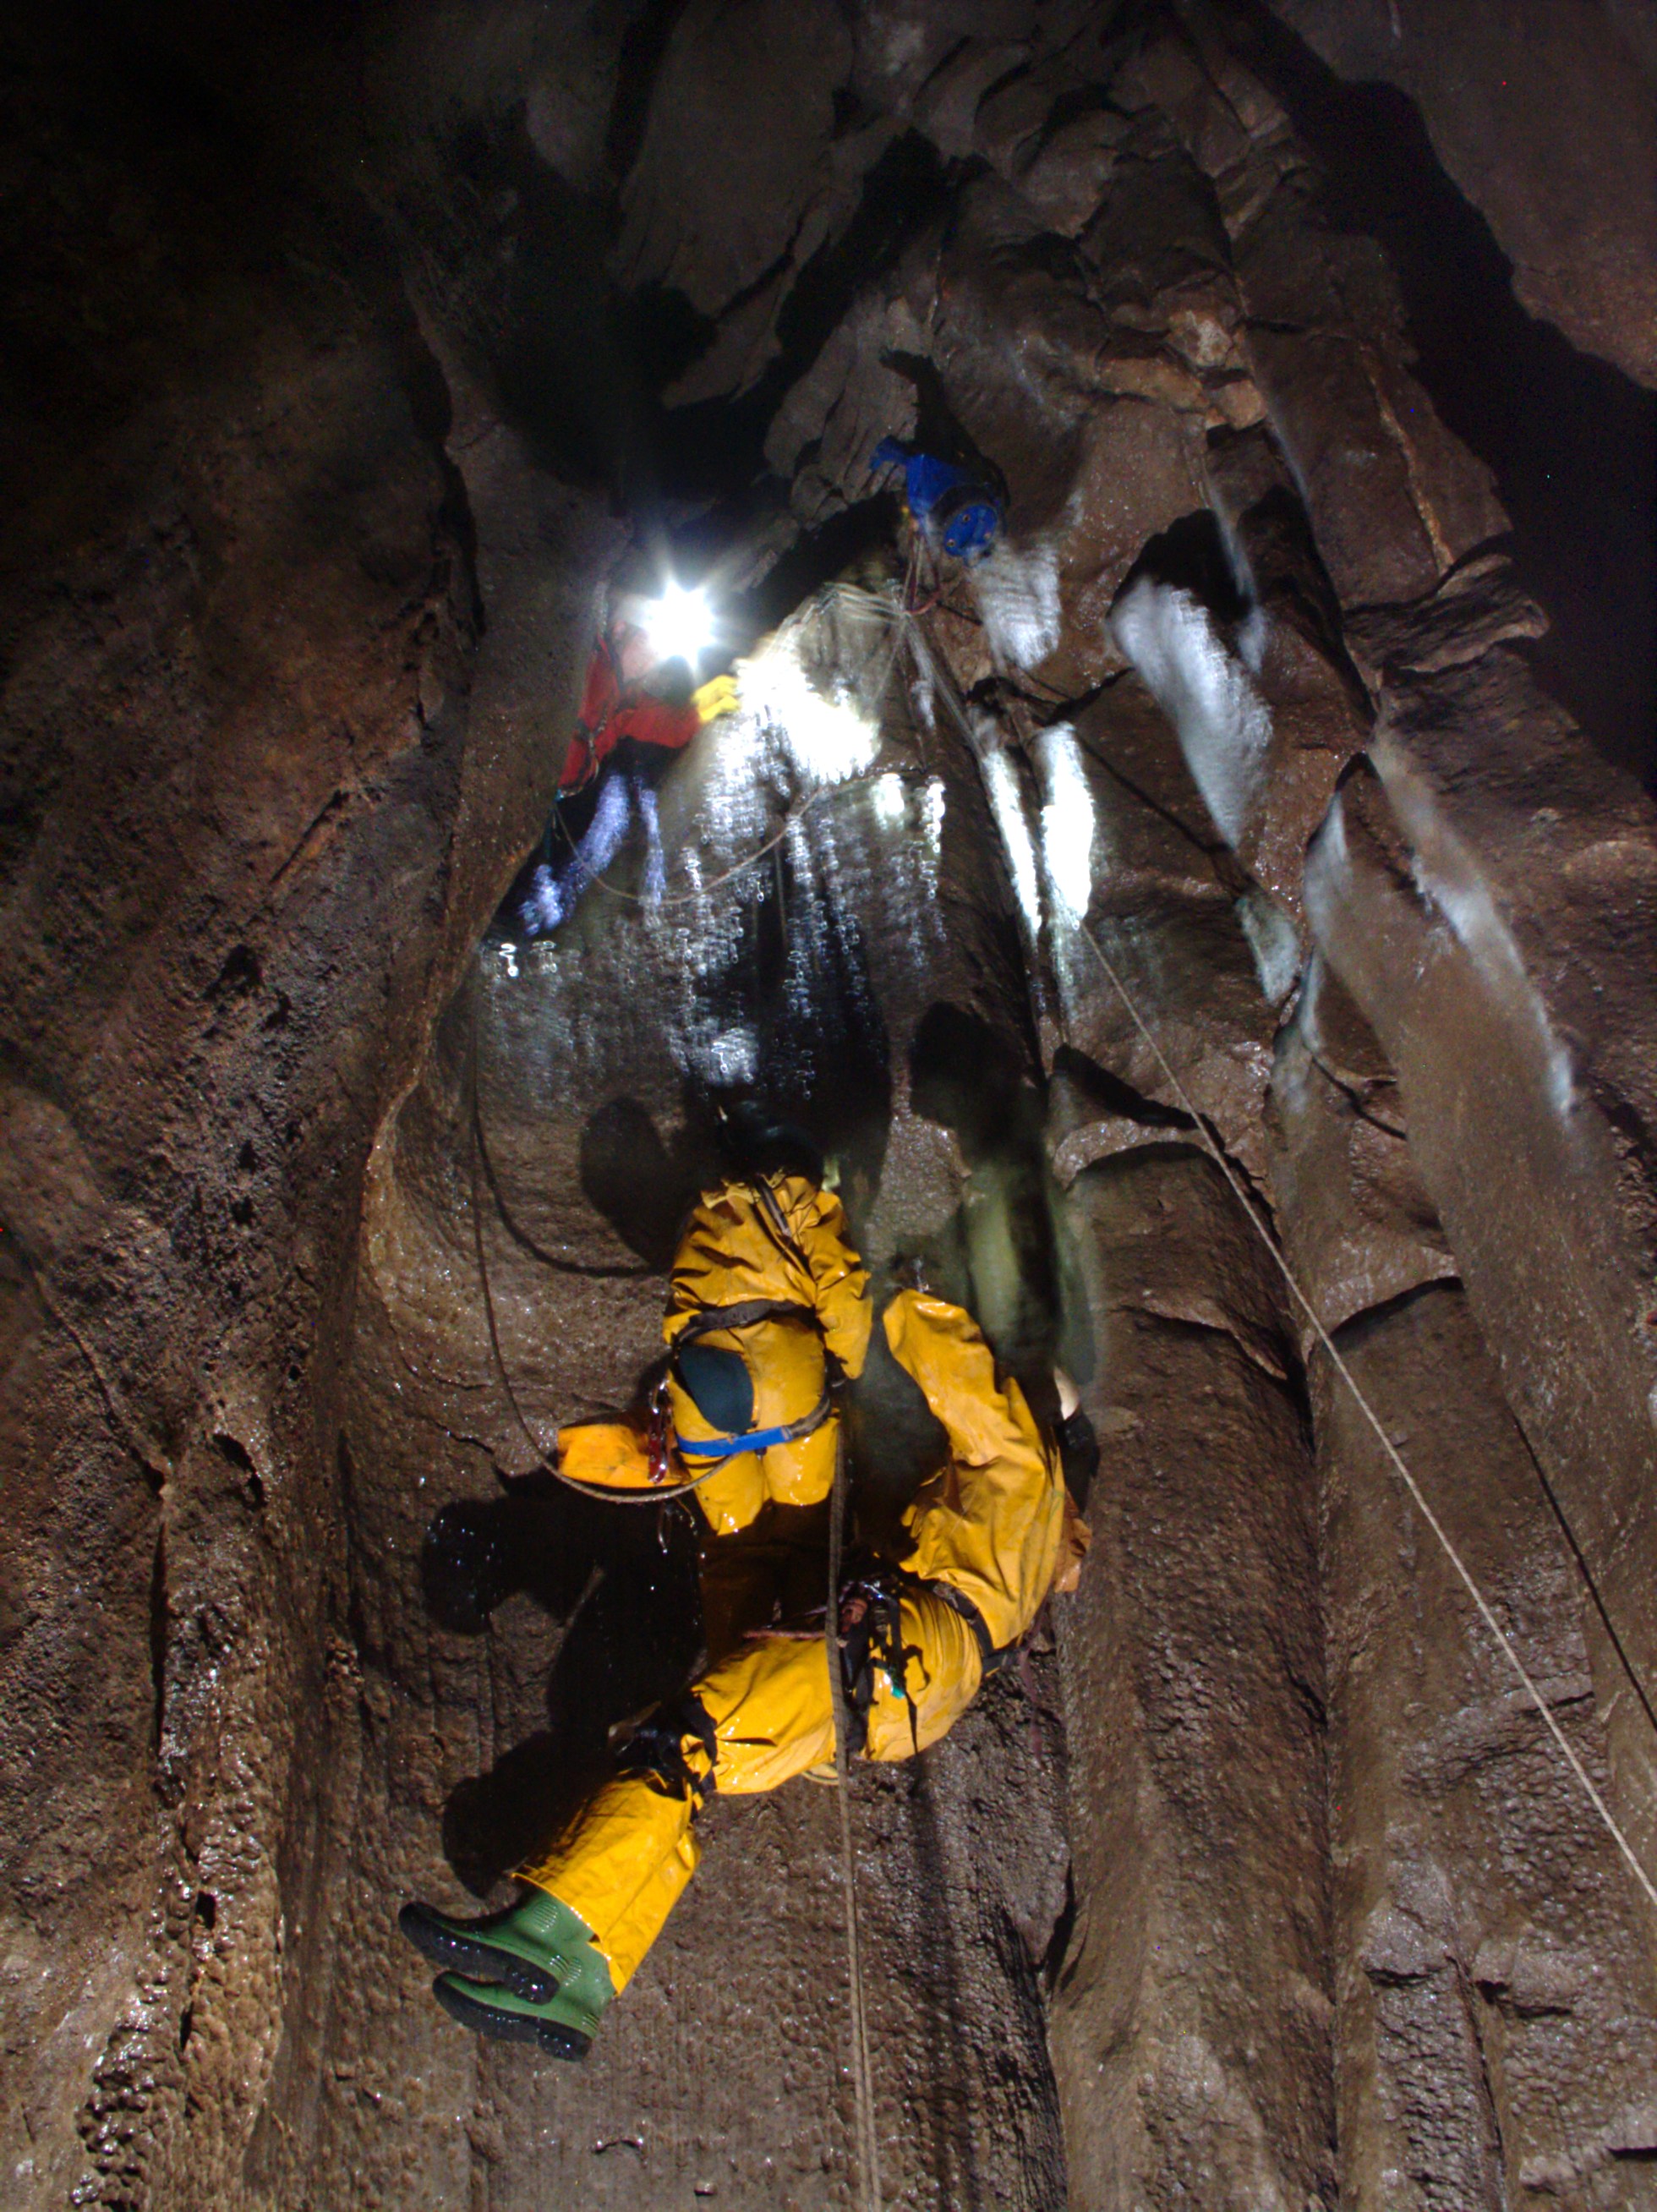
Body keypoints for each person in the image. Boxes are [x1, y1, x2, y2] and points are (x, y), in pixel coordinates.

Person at [398, 1126, 1086, 2056]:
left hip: (896, 1662)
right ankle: (579, 1971)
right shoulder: (1010, 1527)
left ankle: (552, 1930)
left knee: (683, 1740)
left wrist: (911, 1305)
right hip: (895, 1670)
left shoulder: (1027, 1470)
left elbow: (967, 1384)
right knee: (684, 1754)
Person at [501, 600, 738, 941]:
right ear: (620, 629)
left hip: (544, 802)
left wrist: (701, 708)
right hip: (516, 785)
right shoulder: (588, 663)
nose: (653, 656)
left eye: (661, 650)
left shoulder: (626, 700)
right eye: (648, 640)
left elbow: (666, 727)